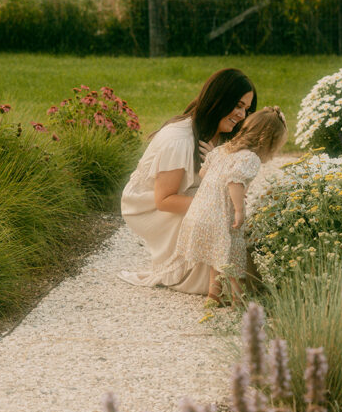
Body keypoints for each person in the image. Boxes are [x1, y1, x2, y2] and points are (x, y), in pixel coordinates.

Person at [120, 68, 257, 294]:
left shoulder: (221, 135)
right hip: (151, 207)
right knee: (221, 225)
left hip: (188, 199)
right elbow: (163, 200)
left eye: (247, 109)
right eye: (238, 105)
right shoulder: (178, 140)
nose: (242, 115)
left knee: (234, 231)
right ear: (219, 100)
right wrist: (214, 204)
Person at [159, 106, 288, 305]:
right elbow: (235, 181)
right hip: (222, 214)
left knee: (216, 256)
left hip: (202, 212)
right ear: (268, 140)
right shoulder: (250, 158)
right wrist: (239, 209)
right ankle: (239, 299)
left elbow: (203, 174)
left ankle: (213, 296)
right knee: (234, 259)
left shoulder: (223, 150)